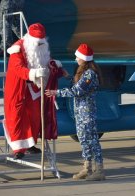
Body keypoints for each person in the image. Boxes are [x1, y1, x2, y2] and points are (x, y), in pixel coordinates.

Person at [3, 23, 68, 159]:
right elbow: (18, 69)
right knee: (17, 117)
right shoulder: (18, 49)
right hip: (19, 87)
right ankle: (18, 149)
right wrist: (34, 73)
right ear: (31, 40)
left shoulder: (42, 48)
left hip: (35, 89)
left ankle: (31, 144)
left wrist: (58, 68)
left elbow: (46, 62)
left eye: (41, 43)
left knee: (35, 117)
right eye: (38, 43)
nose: (40, 45)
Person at [45, 44, 105, 181]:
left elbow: (77, 91)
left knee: (92, 140)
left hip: (87, 114)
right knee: (83, 140)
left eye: (78, 56)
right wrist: (67, 76)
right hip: (80, 114)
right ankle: (87, 168)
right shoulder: (84, 72)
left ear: (84, 58)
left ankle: (99, 170)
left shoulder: (90, 74)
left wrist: (56, 93)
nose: (76, 58)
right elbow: (77, 85)